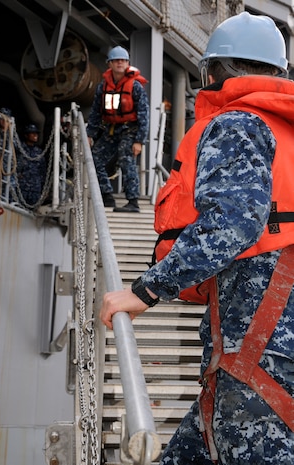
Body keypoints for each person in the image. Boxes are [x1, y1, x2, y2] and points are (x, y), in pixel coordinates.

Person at [99, 12, 294, 465]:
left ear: (213, 72)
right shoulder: (283, 127)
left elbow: (231, 223)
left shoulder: (239, 124)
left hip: (257, 356)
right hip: (256, 360)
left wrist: (146, 290)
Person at [86, 45, 149, 212]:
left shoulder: (135, 86)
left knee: (125, 158)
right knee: (95, 158)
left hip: (129, 130)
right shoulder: (103, 87)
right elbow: (95, 113)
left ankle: (133, 201)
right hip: (111, 129)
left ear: (127, 63)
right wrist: (89, 134)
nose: (120, 63)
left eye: (123, 60)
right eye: (116, 60)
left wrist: (139, 141)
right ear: (110, 64)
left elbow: (144, 114)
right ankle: (106, 195)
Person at [15, 123, 46, 207]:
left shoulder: (39, 152)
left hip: (35, 188)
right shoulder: (19, 149)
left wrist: (40, 184)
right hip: (22, 187)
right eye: (32, 133)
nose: (35, 135)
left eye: (36, 133)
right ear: (26, 135)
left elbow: (42, 171)